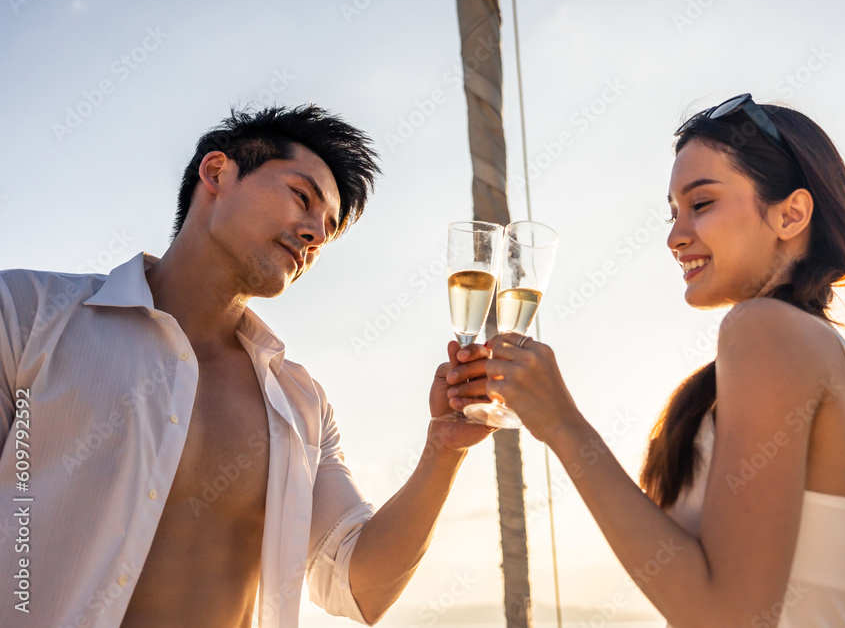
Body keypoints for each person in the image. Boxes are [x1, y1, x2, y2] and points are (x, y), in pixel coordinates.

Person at [0, 105, 493, 627]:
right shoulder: (27, 314)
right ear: (216, 173)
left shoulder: (302, 405)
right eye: (302, 198)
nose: (313, 235)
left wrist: (442, 450)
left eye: (326, 231)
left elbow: (357, 584)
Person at [462, 94, 845, 626]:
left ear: (791, 214)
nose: (673, 235)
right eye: (672, 212)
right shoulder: (820, 352)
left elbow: (728, 615)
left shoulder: (766, 331)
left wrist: (563, 426)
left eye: (701, 203)